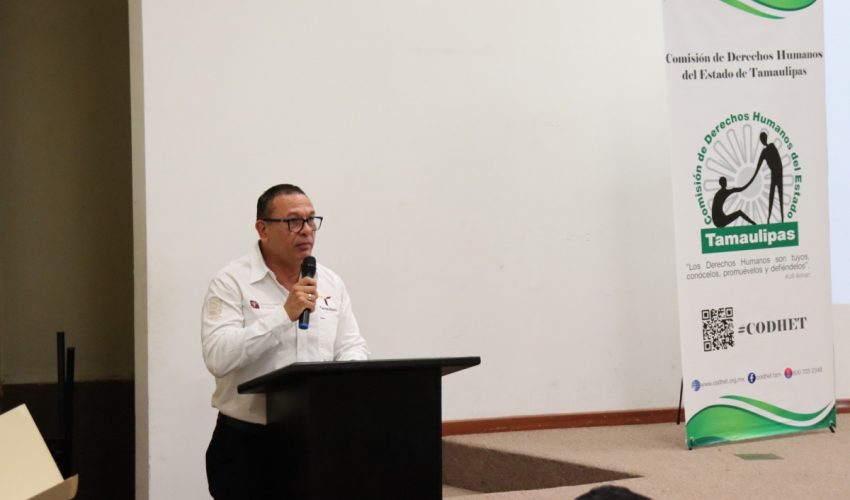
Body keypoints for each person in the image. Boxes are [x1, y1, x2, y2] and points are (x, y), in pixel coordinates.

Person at [201, 183, 369, 499]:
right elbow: (218, 357)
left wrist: (345, 386)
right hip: (248, 445)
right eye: (293, 221)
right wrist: (283, 315)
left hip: (316, 438)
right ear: (262, 229)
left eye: (311, 219)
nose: (306, 230)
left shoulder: (330, 282)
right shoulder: (231, 281)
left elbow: (351, 346)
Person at [753, 131, 784, 224]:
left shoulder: (771, 146)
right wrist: (753, 178)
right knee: (772, 196)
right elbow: (758, 166)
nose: (762, 141)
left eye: (762, 139)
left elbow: (779, 162)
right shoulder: (764, 152)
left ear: (765, 139)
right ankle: (769, 219)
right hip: (775, 174)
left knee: (779, 196)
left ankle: (781, 218)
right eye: (761, 139)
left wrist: (778, 173)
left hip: (777, 174)